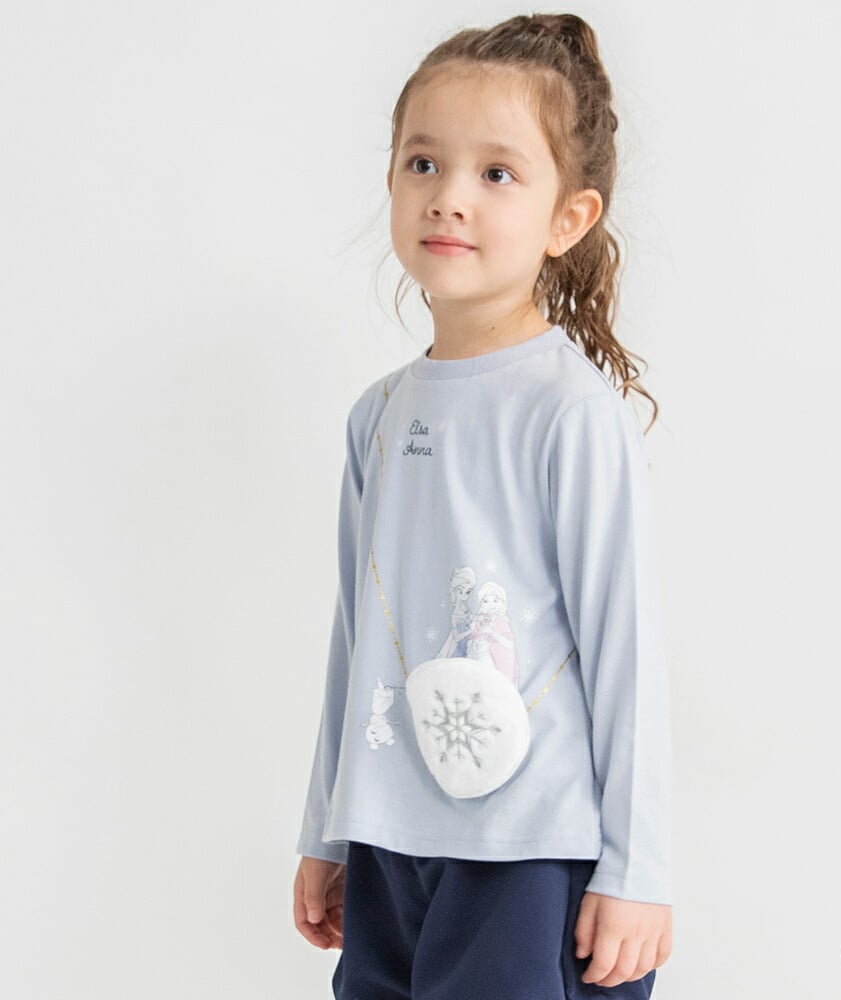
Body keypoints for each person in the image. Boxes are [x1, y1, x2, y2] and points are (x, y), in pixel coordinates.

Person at [292, 12, 674, 998]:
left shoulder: (567, 413)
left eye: (497, 173)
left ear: (568, 218)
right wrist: (328, 827)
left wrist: (637, 869)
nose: (449, 196)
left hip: (529, 848)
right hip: (387, 841)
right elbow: (356, 635)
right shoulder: (378, 416)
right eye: (423, 163)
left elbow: (623, 645)